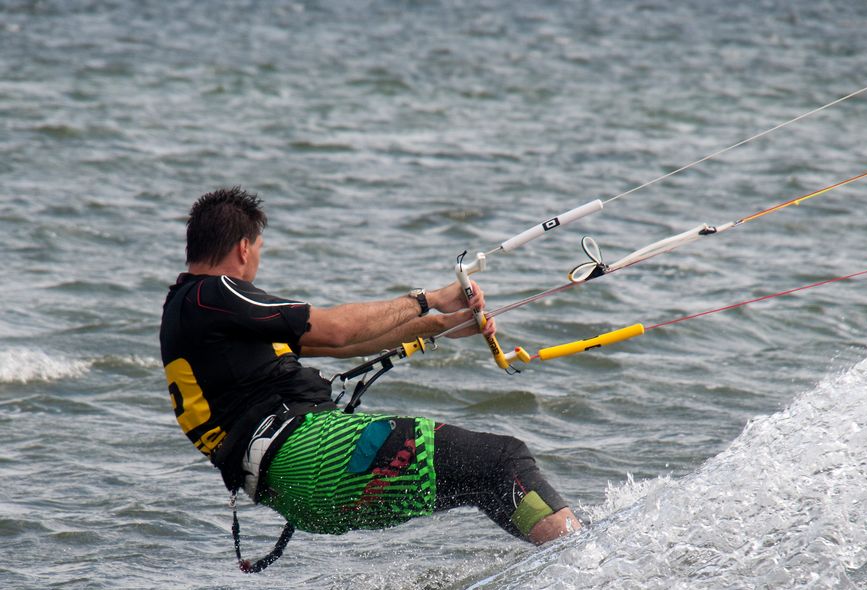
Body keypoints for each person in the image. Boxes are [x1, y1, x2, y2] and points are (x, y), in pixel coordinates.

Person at [160, 186, 581, 570]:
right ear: (243, 247)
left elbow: (340, 347)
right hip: (313, 457)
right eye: (260, 249)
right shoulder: (217, 293)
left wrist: (441, 325)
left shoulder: (191, 312)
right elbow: (337, 329)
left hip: (293, 490)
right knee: (504, 459)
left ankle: (563, 572)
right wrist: (426, 299)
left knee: (482, 479)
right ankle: (586, 565)